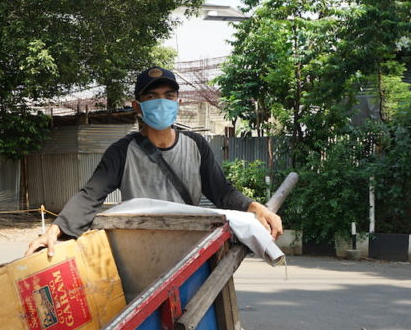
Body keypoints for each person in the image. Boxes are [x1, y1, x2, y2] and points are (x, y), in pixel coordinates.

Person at [25, 66, 283, 257]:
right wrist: (56, 230)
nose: (162, 101)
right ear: (137, 106)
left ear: (178, 102)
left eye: (168, 95)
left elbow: (221, 191)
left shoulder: (196, 146)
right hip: (139, 254)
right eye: (151, 97)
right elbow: (90, 195)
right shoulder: (122, 151)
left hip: (190, 252)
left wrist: (254, 207)